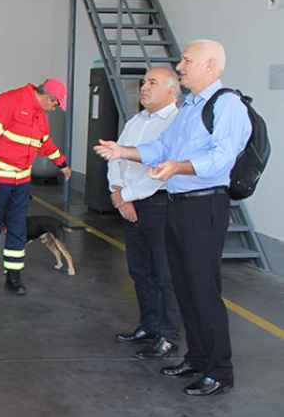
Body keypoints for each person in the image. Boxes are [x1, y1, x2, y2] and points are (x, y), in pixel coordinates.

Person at [94, 39, 251, 396]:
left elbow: (222, 157)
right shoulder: (191, 107)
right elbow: (162, 148)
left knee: (203, 289)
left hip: (205, 205)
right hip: (179, 204)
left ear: (210, 66)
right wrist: (124, 151)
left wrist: (179, 167)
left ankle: (219, 370)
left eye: (187, 61)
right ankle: (196, 358)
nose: (180, 67)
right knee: (183, 285)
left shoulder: (227, 105)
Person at [108, 67, 183, 359]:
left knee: (165, 273)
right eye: (143, 82)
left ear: (171, 91)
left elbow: (161, 171)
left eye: (152, 82)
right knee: (139, 270)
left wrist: (125, 197)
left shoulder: (176, 122)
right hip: (129, 201)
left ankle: (168, 335)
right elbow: (115, 157)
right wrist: (117, 192)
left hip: (159, 205)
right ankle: (149, 326)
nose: (144, 87)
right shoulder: (136, 121)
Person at [0, 78, 72, 297]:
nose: (55, 108)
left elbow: (45, 143)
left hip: (21, 183)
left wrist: (62, 164)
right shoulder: (9, 100)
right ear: (48, 97)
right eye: (56, 104)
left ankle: (14, 277)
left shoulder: (41, 116)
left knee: (18, 229)